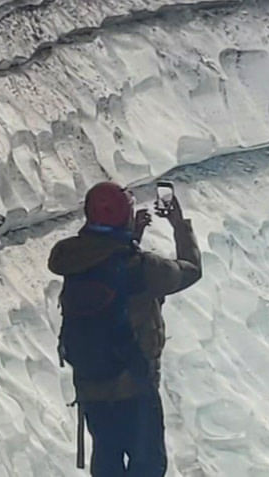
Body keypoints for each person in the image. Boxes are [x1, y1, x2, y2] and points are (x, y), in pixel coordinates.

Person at [50, 181, 202, 476]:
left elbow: (106, 261)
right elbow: (190, 270)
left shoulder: (72, 257)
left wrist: (132, 236)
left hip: (91, 385)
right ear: (125, 216)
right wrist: (179, 224)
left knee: (107, 461)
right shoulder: (143, 267)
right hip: (134, 388)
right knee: (147, 466)